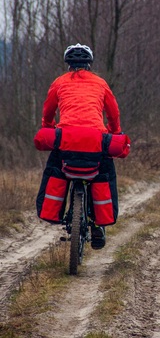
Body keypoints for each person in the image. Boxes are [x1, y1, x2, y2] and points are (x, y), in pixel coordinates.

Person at [36, 43, 122, 250]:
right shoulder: (101, 83)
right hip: (96, 139)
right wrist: (115, 132)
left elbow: (48, 111)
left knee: (55, 168)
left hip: (65, 138)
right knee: (104, 172)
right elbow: (113, 113)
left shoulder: (59, 83)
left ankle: (53, 212)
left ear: (68, 65)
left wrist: (49, 128)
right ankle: (98, 224)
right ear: (89, 64)